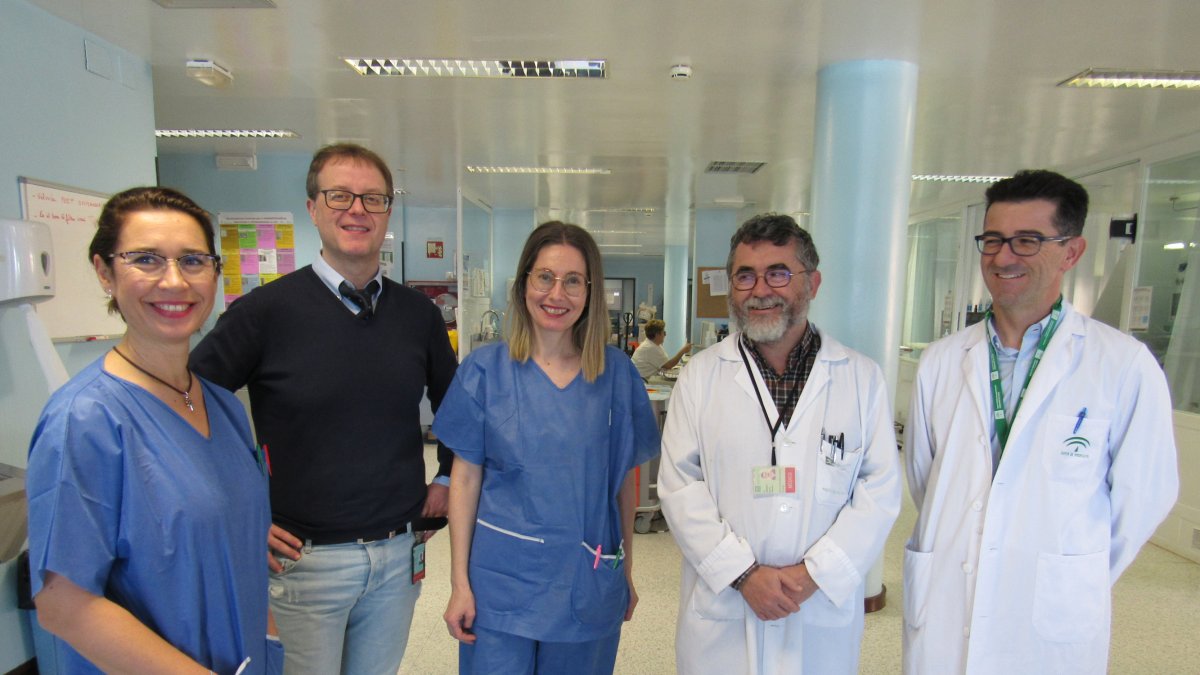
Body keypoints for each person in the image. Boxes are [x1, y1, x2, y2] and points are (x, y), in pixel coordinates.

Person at [190, 143, 458, 674]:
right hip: (303, 563)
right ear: (313, 207)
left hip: (397, 555)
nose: (356, 210)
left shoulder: (417, 316)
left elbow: (456, 408)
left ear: (387, 213)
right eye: (340, 195)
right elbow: (184, 406)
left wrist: (448, 477)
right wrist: (240, 512)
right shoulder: (263, 313)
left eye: (373, 199)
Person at [903, 170, 1179, 675]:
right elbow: (927, 480)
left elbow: (1144, 497)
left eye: (1027, 241)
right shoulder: (942, 362)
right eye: (993, 240)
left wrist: (1073, 568)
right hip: (947, 598)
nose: (1003, 257)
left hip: (1052, 611)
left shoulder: (1121, 364)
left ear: (1071, 252)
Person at [26, 187, 280, 674]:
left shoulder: (223, 407)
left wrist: (267, 637)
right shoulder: (85, 420)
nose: (174, 281)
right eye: (145, 259)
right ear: (105, 272)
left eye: (192, 261)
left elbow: (238, 538)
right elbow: (63, 604)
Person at [658, 213, 901, 674]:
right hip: (724, 609)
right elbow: (679, 485)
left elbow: (880, 490)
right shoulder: (700, 377)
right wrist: (744, 575)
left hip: (817, 610)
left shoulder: (861, 379)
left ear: (813, 283)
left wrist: (815, 575)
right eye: (745, 275)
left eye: (779, 273)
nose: (760, 289)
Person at [435, 221, 660, 674]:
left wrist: (627, 575)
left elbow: (622, 485)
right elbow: (464, 479)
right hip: (501, 584)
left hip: (588, 579)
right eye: (545, 277)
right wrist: (459, 582)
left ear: (590, 291)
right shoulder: (485, 371)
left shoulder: (616, 374)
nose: (557, 294)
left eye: (573, 281)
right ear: (523, 285)